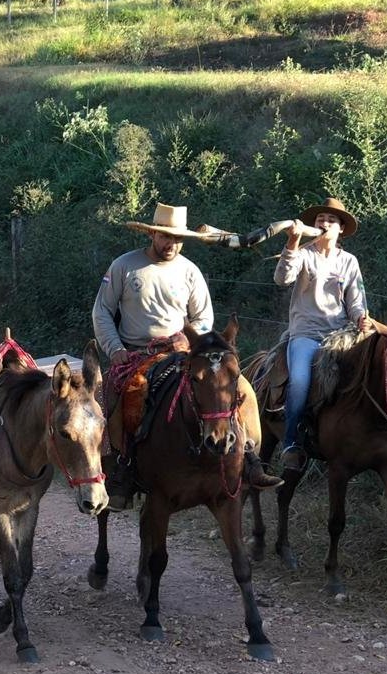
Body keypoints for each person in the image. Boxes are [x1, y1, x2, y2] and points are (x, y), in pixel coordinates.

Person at [93, 202, 282, 508]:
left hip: (183, 350)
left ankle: (249, 458)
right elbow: (102, 310)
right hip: (135, 353)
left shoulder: (189, 271)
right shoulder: (124, 266)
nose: (171, 244)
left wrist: (192, 340)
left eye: (178, 238)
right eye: (166, 237)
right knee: (114, 396)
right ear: (153, 234)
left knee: (238, 388)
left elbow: (203, 317)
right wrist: (114, 349)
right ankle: (120, 468)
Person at [274, 196, 371, 473]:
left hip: (340, 335)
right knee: (301, 381)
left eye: (331, 220)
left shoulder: (349, 261)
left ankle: (361, 439)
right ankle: (291, 443)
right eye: (320, 220)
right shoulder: (304, 253)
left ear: (341, 229)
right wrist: (292, 243)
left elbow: (356, 301)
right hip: (305, 333)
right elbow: (283, 278)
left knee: (364, 377)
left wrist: (361, 317)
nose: (325, 223)